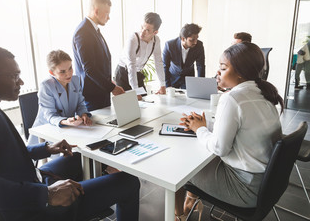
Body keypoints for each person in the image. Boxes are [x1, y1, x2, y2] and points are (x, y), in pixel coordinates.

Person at [0, 45, 140, 221]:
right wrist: (47, 194)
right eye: (15, 76)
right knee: (129, 181)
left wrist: (47, 149)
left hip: (31, 179)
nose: (21, 81)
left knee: (82, 157)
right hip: (34, 208)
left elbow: (5, 155)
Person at [174, 42, 283, 221]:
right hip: (264, 183)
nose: (218, 72)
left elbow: (220, 148)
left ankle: (180, 215)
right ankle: (192, 200)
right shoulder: (262, 94)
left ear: (240, 72)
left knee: (181, 166)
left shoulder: (233, 98)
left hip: (244, 189)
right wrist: (203, 125)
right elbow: (242, 130)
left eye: (223, 68)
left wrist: (199, 129)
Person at [28, 50, 92, 145]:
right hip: (47, 131)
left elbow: (80, 104)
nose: (68, 74)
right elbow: (50, 115)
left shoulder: (75, 80)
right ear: (52, 72)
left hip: (68, 129)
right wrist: (65, 121)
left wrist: (83, 115)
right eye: (62, 71)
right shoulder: (46, 86)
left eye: (70, 68)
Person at [73, 0, 124, 111]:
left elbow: (99, 63)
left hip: (101, 92)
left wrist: (110, 83)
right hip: (92, 96)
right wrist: (112, 88)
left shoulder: (93, 30)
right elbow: (90, 68)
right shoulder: (83, 32)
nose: (108, 17)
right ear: (96, 11)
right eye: (107, 13)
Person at [114, 12, 166, 99]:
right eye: (142, 27)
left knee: (145, 101)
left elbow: (158, 63)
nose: (142, 33)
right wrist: (135, 91)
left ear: (155, 32)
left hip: (137, 73)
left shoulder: (156, 41)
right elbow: (131, 66)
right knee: (126, 104)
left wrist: (162, 85)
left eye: (147, 30)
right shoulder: (133, 39)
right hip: (123, 73)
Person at [163, 23, 205, 89]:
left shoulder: (199, 45)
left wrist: (201, 84)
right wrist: (167, 85)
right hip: (173, 77)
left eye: (196, 39)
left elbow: (200, 66)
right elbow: (165, 66)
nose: (195, 42)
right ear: (183, 39)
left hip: (189, 78)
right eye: (192, 40)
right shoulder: (170, 45)